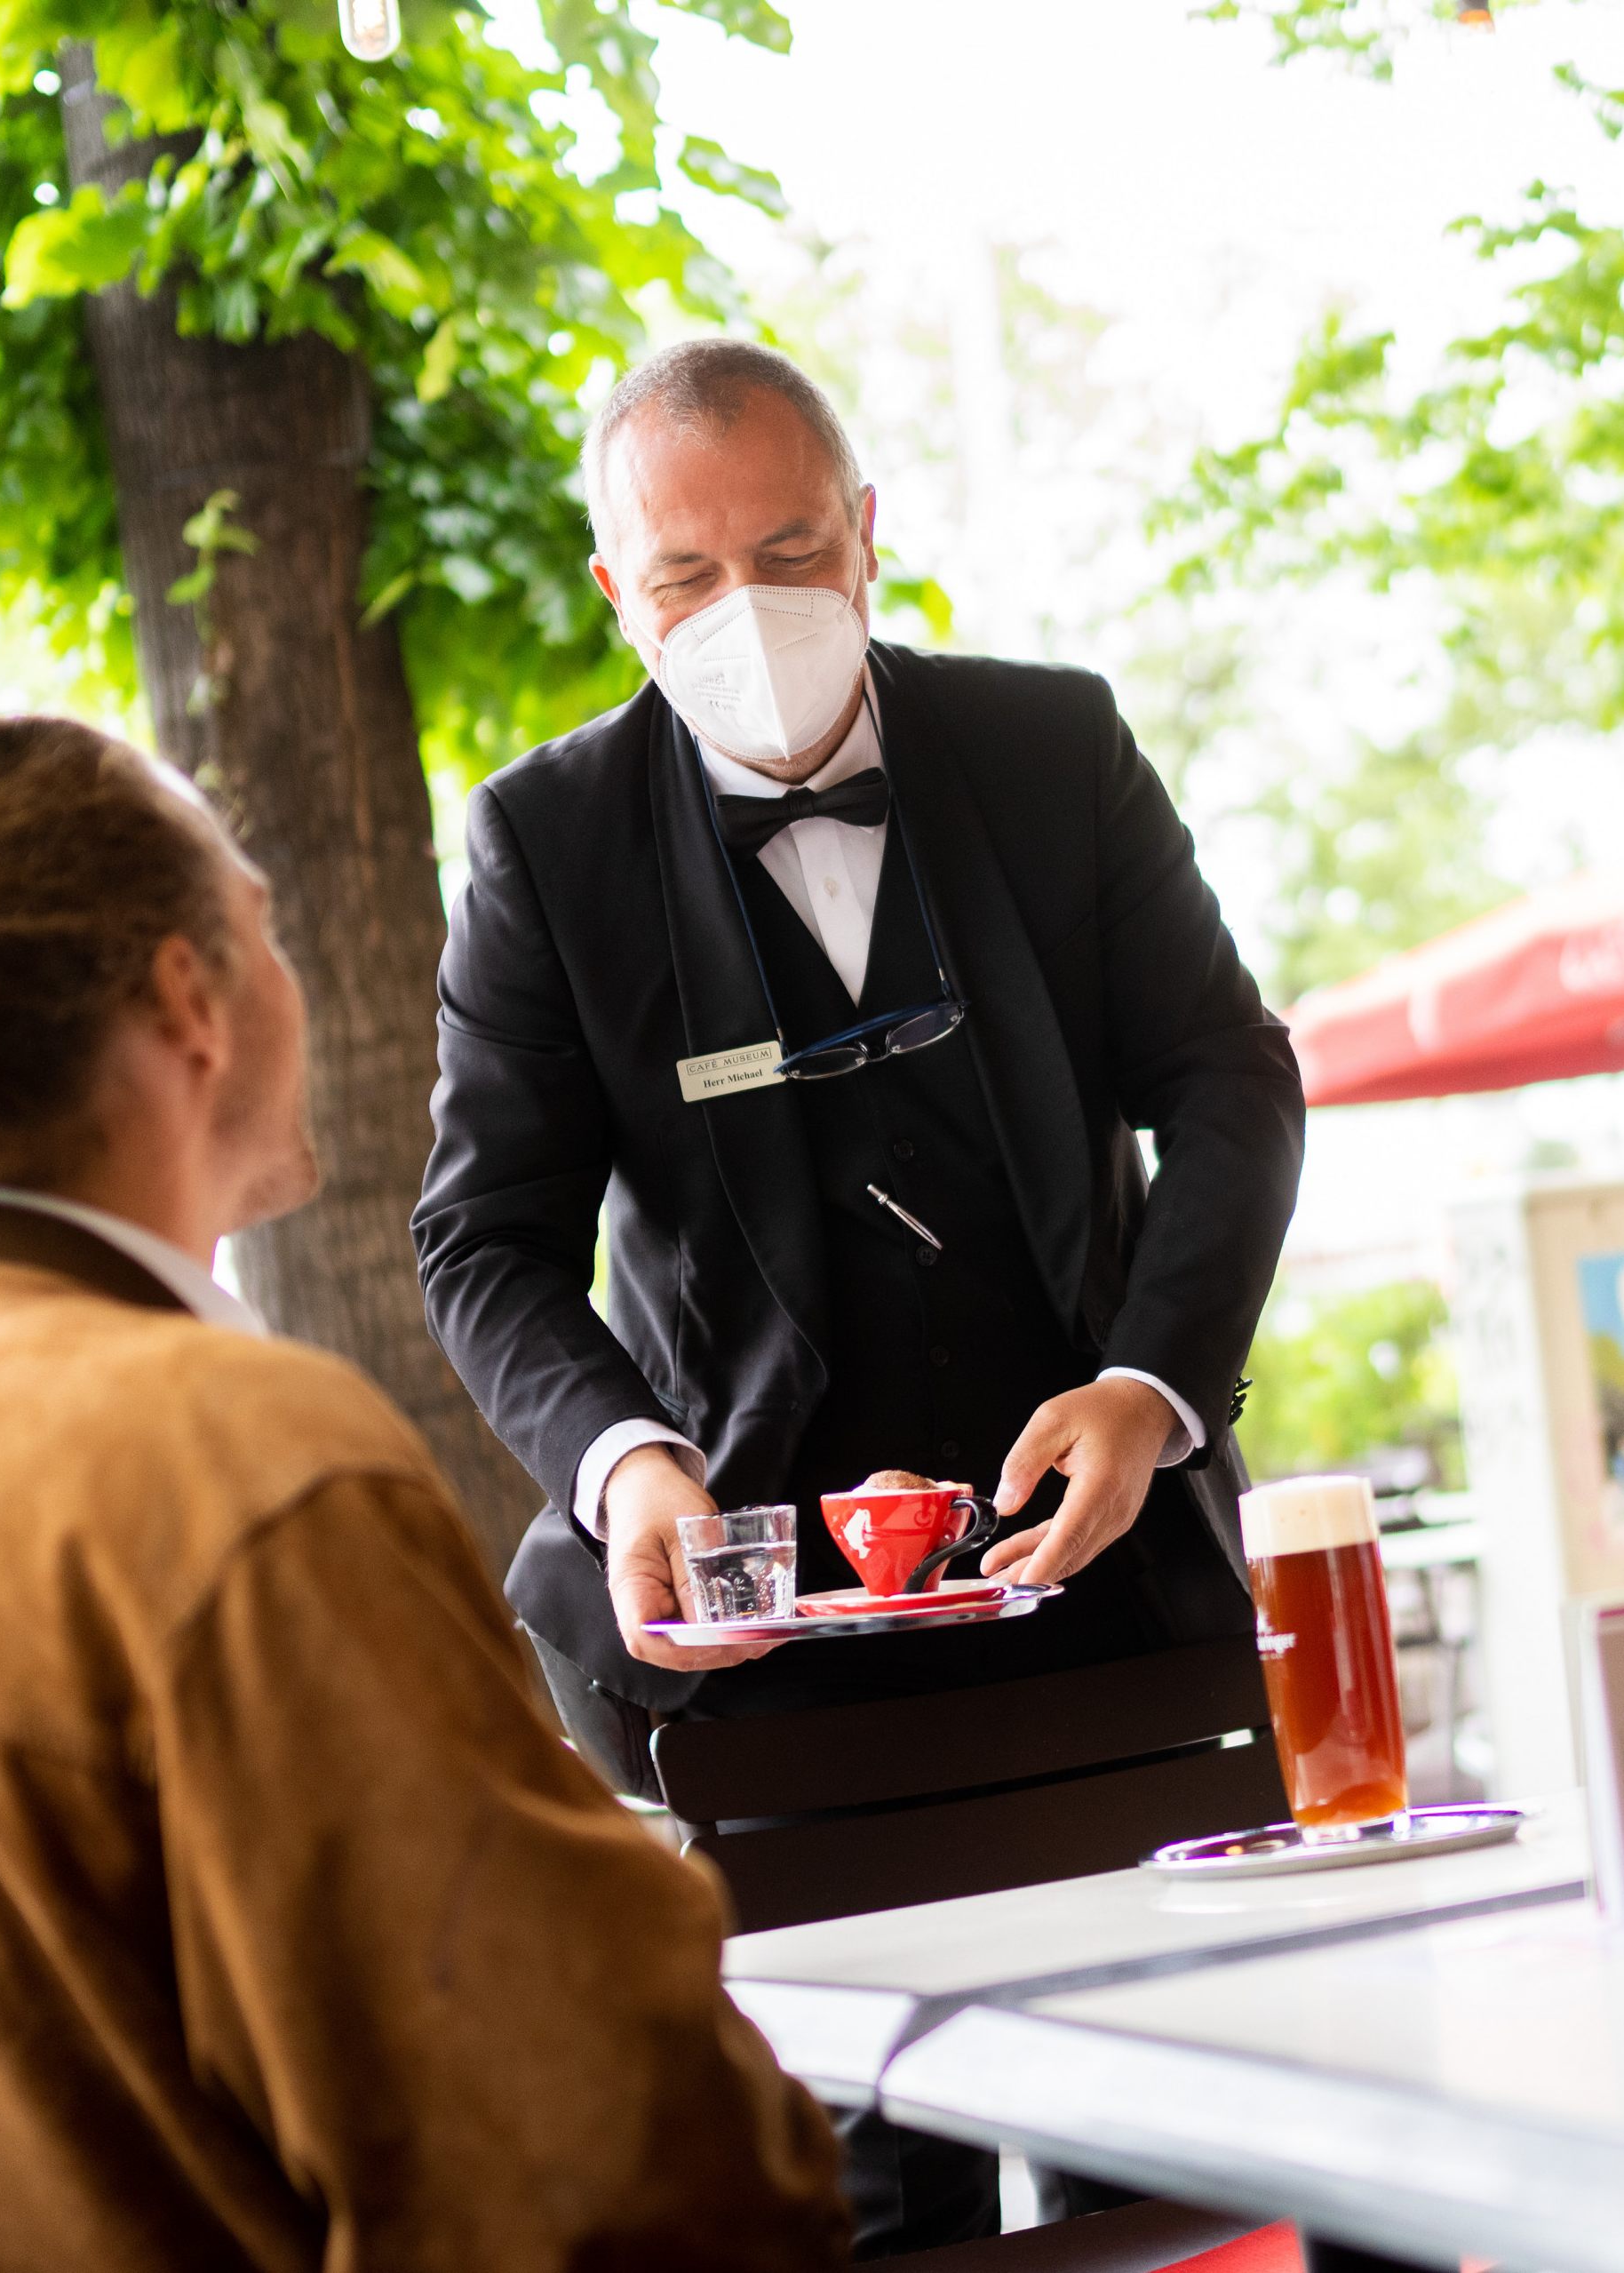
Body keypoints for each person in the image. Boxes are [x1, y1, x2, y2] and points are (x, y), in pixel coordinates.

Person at [0, 716, 847, 2273]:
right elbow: (626, 2178)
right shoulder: (233, 1459)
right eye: (264, 925)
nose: (287, 973)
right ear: (189, 999)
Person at [412, 341, 1305, 2249]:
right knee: (856, 2196)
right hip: (767, 1659)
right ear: (617, 598)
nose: (743, 607)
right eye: (683, 576)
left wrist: (1153, 1382)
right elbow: (480, 1236)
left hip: (1103, 1600)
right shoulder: (542, 847)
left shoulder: (1052, 748)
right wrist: (626, 1465)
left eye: (788, 546)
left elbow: (1229, 1080)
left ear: (870, 538)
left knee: (1185, 2158)